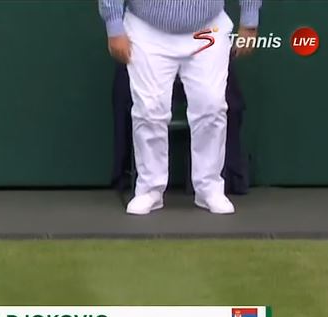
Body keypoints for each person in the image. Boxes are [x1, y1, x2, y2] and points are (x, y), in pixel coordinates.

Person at [98, 0, 262, 215]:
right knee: (149, 110)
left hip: (208, 27)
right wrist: (114, 24)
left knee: (211, 106)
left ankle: (209, 187)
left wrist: (249, 20)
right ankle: (149, 189)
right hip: (146, 28)